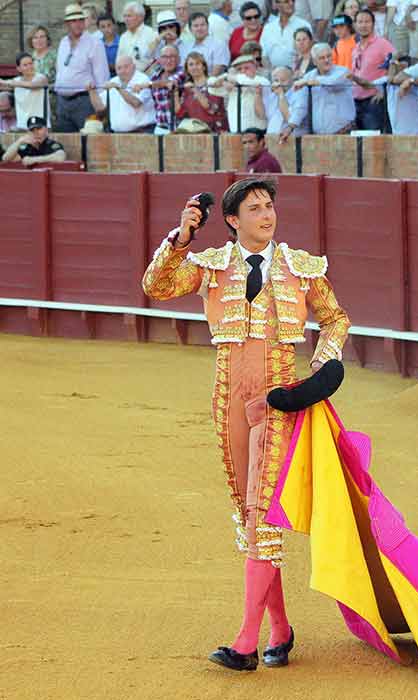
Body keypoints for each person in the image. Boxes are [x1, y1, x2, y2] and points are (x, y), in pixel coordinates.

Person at [142, 176, 350, 671]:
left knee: (261, 510)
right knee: (248, 511)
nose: (267, 213)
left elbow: (335, 318)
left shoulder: (300, 266)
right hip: (227, 396)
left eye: (269, 205)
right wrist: (181, 237)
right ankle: (280, 629)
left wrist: (323, 367)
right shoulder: (211, 266)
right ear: (233, 221)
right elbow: (157, 286)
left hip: (278, 397)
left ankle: (245, 642)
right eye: (255, 208)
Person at [54, 3, 110, 133]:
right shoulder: (63, 42)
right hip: (62, 101)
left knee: (89, 144)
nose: (78, 24)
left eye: (81, 20)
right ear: (67, 24)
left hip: (85, 101)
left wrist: (101, 107)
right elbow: (60, 70)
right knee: (66, 143)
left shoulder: (95, 43)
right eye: (73, 21)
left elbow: (102, 76)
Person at [281, 42, 355, 137]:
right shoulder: (308, 77)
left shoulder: (343, 72)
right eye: (322, 58)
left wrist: (309, 82)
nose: (327, 60)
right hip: (319, 137)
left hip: (344, 133)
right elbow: (301, 105)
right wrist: (290, 127)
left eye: (328, 56)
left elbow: (333, 82)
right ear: (314, 62)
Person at [88, 54, 156, 132]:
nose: (123, 71)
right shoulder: (114, 81)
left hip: (143, 132)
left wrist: (118, 88)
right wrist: (92, 91)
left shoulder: (143, 79)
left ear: (134, 67)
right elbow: (100, 108)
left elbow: (136, 102)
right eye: (119, 68)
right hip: (118, 135)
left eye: (126, 67)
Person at [352, 9, 394, 130]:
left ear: (373, 24)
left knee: (375, 142)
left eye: (367, 21)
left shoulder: (383, 44)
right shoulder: (355, 48)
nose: (363, 25)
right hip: (356, 100)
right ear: (355, 25)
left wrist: (383, 92)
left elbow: (396, 64)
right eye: (360, 22)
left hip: (374, 101)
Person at [210, 53, 270, 131]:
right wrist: (222, 81)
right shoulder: (232, 83)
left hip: (257, 132)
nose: (243, 71)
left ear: (256, 67)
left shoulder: (262, 80)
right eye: (239, 69)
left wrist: (226, 77)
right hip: (235, 131)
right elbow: (211, 86)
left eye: (246, 68)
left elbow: (246, 81)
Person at [134, 45, 185, 133]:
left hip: (179, 128)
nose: (169, 60)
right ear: (160, 60)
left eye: (172, 56)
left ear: (179, 59)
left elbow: (169, 82)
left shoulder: (183, 72)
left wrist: (146, 85)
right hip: (160, 127)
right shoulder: (155, 76)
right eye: (165, 57)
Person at [174, 51, 228, 131]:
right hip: (195, 131)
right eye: (191, 64)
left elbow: (212, 109)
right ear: (187, 69)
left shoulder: (213, 83)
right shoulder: (187, 89)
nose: (194, 67)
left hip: (214, 131)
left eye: (197, 64)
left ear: (204, 67)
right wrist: (175, 93)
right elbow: (180, 113)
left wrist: (195, 90)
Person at [0, 52, 49, 130]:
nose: (29, 67)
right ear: (19, 68)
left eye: (31, 63)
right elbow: (3, 86)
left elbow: (32, 85)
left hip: (40, 125)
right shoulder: (16, 81)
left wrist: (7, 82)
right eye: (25, 65)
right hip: (22, 126)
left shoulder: (41, 78)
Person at [260, 0, 312, 70]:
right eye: (286, 1)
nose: (291, 3)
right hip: (273, 75)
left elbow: (308, 55)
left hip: (297, 75)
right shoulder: (268, 28)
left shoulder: (304, 25)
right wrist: (271, 73)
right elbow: (263, 55)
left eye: (293, 1)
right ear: (276, 4)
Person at [1, 115, 66, 166]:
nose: (36, 132)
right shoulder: (27, 147)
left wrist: (34, 160)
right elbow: (5, 158)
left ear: (46, 130)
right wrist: (19, 141)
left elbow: (60, 158)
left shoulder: (51, 144)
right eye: (32, 130)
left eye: (39, 128)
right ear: (28, 132)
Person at [257, 65, 301, 133]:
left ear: (292, 79)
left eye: (283, 80)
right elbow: (261, 115)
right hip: (271, 137)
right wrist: (258, 95)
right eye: (276, 80)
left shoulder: (298, 94)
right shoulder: (272, 96)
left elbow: (289, 119)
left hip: (289, 138)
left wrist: (281, 95)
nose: (279, 84)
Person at [117, 1, 156, 72]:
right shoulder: (123, 37)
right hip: (126, 78)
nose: (126, 19)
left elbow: (156, 61)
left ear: (140, 17)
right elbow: (118, 61)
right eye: (124, 16)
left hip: (146, 78)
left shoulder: (151, 34)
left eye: (129, 16)